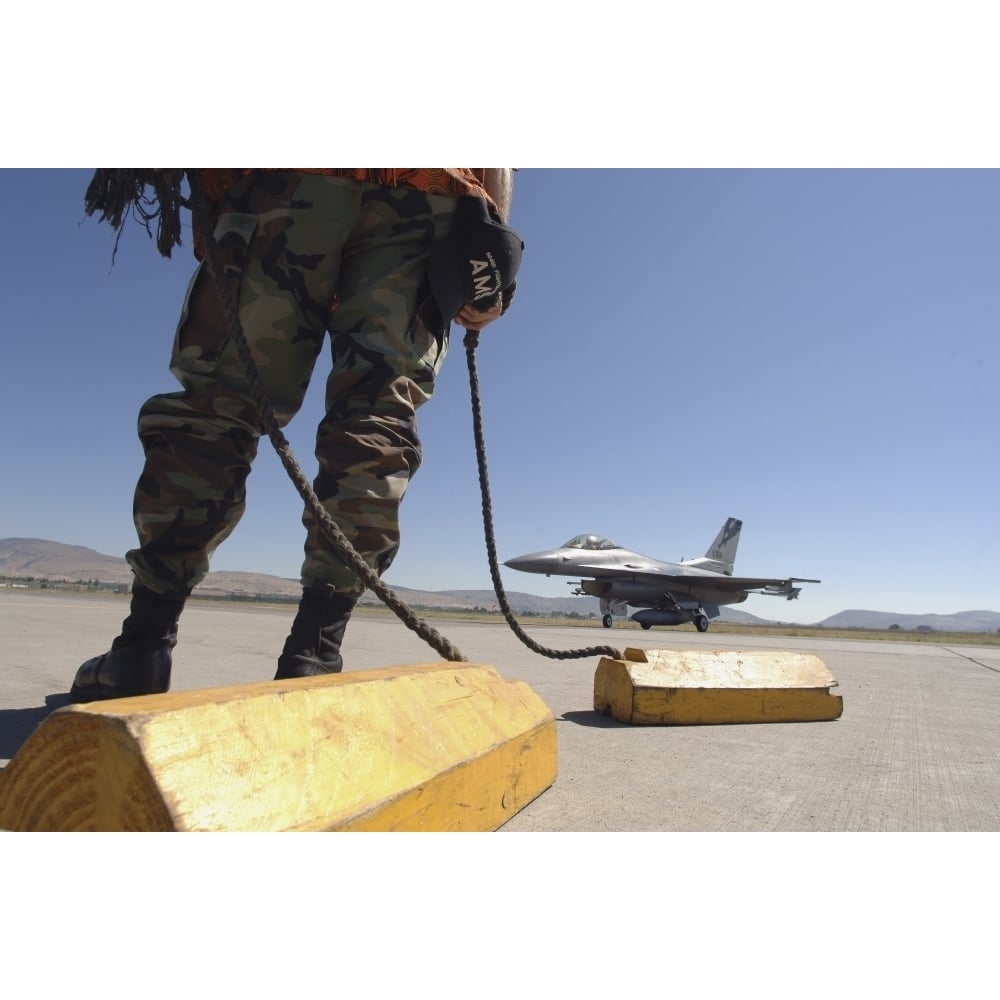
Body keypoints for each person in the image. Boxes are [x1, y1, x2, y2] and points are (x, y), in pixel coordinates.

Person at [70, 168, 521, 703]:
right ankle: (314, 654)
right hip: (427, 191)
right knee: (375, 416)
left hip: (286, 173)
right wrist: (490, 246)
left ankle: (142, 646)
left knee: (221, 402)